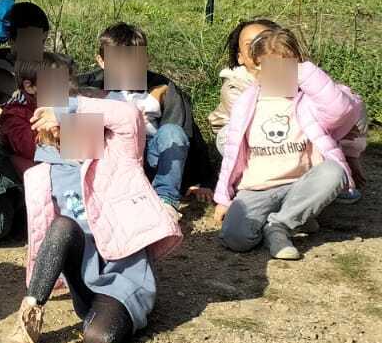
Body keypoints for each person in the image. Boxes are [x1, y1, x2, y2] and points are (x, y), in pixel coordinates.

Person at [0, 67, 182, 343]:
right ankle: (27, 321)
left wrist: (69, 106)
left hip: (123, 277)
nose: (65, 126)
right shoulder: (45, 171)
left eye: (71, 119)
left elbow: (129, 117)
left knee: (99, 340)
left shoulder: (118, 152)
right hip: (83, 280)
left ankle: (124, 309)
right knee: (62, 226)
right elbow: (45, 237)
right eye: (55, 120)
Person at [215, 28, 366, 261]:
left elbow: (342, 109)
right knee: (236, 239)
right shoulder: (247, 102)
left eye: (286, 67)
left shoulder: (308, 100)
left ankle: (280, 226)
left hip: (300, 184)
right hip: (257, 188)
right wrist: (223, 198)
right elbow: (233, 153)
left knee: (333, 172)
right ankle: (294, 216)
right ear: (257, 68)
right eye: (270, 67)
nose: (278, 74)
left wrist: (305, 71)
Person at [77, 22, 214, 214]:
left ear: (146, 58)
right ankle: (82, 192)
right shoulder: (86, 87)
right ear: (101, 61)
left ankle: (165, 200)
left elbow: (186, 134)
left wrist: (202, 180)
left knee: (172, 132)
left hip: (151, 159)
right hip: (109, 158)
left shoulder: (163, 87)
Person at [206, 16, 280, 152]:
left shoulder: (292, 72)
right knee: (228, 136)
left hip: (282, 129)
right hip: (241, 130)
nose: (258, 47)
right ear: (240, 57)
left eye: (265, 41)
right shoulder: (233, 85)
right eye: (250, 44)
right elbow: (254, 121)